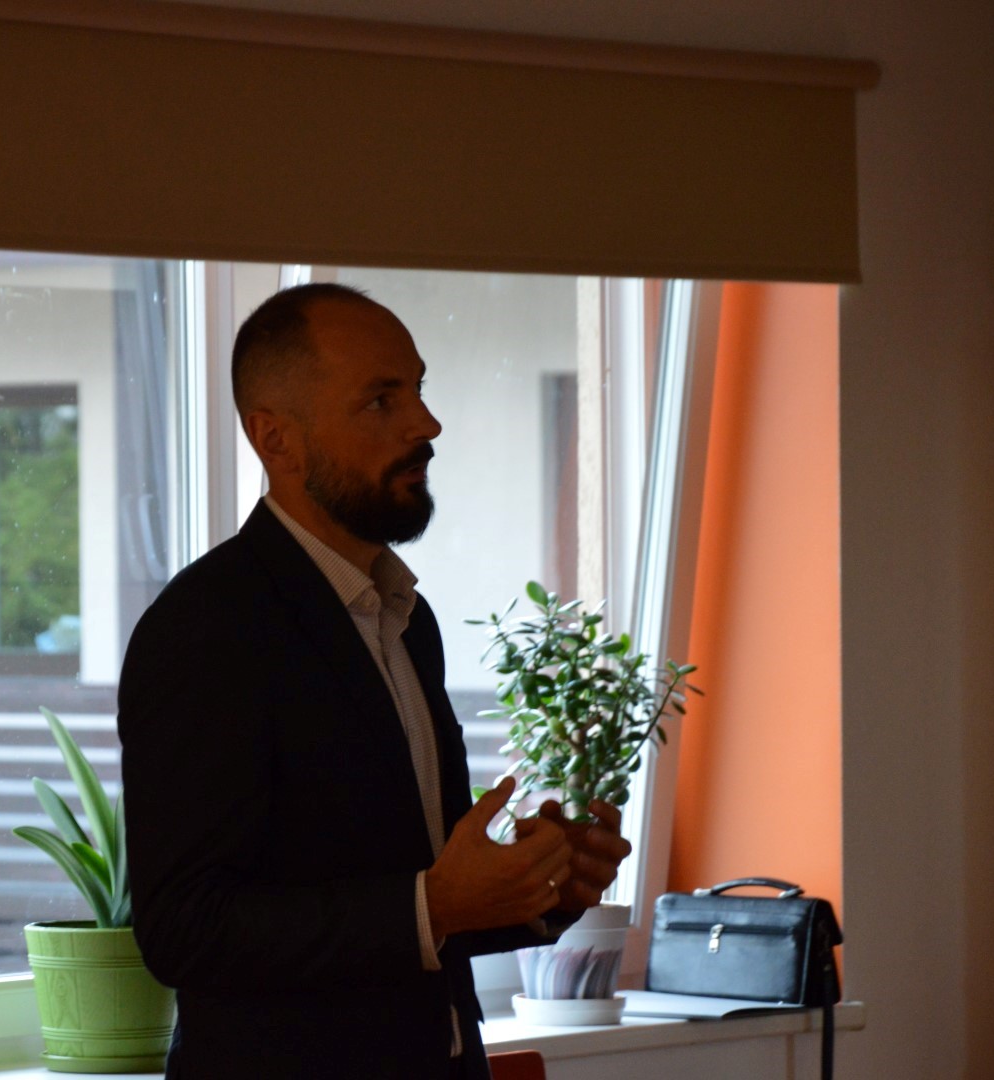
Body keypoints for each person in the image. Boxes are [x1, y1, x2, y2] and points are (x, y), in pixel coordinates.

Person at [118, 283, 632, 1079]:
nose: (425, 424)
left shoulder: (407, 621)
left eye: (418, 390)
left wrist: (542, 889)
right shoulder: (206, 629)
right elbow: (185, 930)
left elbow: (427, 903)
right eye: (381, 400)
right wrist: (435, 903)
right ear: (276, 439)